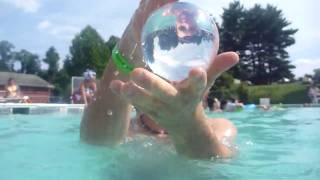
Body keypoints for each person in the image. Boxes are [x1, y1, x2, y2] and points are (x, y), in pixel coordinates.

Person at [80, 0, 239, 159]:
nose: (176, 81)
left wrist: (189, 126)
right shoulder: (127, 128)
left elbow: (216, 167)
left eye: (189, 71)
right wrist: (129, 46)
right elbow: (94, 141)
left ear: (207, 87)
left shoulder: (220, 127)